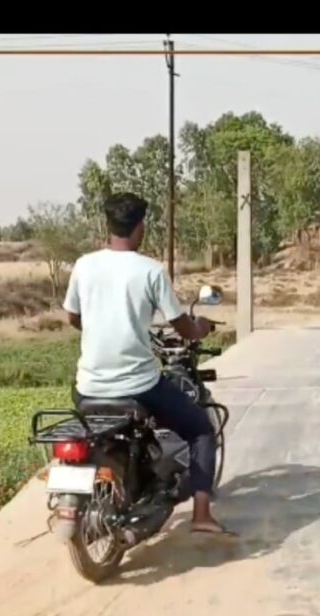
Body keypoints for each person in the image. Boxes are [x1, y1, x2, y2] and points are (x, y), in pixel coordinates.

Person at [62, 192, 231, 537]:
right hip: (139, 386)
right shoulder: (150, 271)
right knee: (201, 431)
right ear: (140, 227)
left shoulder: (84, 265)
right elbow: (182, 325)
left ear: (108, 225)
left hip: (87, 387)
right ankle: (201, 514)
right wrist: (201, 328)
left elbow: (73, 317)